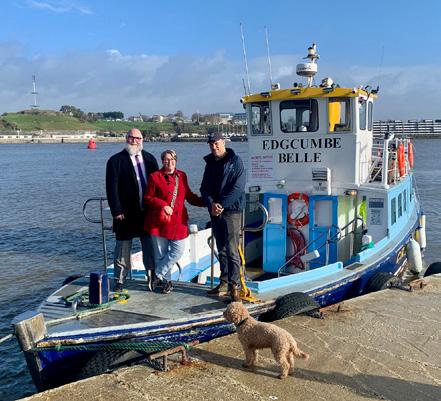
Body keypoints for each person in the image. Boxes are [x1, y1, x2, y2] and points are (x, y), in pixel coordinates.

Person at [144, 150, 205, 293]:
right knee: (161, 255)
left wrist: (206, 203)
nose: (169, 162)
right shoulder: (154, 177)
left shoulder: (182, 176)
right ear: (162, 161)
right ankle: (166, 282)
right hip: (159, 222)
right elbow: (148, 198)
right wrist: (163, 204)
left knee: (177, 251)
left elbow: (189, 196)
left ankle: (156, 274)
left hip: (178, 222)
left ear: (176, 161)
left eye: (172, 159)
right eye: (166, 159)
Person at [106, 128, 159, 292]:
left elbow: (158, 184)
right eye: (131, 137)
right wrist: (116, 211)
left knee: (150, 246)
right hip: (125, 214)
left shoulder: (150, 159)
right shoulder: (115, 161)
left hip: (146, 212)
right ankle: (119, 280)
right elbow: (111, 188)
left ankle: (152, 276)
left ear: (142, 140)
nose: (135, 141)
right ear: (126, 138)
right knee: (122, 248)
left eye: (138, 138)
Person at [200, 132, 246, 302]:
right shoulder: (209, 164)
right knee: (221, 248)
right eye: (211, 144)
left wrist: (221, 204)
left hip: (232, 211)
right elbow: (204, 188)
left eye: (216, 143)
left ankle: (235, 286)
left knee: (232, 249)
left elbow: (238, 187)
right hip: (215, 211)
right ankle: (224, 282)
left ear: (223, 142)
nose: (214, 146)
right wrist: (212, 204)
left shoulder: (236, 161)